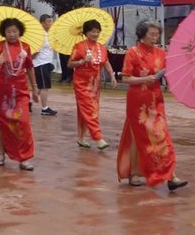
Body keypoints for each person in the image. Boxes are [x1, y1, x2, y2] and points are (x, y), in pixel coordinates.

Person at [116, 19, 187, 190]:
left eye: (157, 34)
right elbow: (125, 78)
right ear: (142, 35)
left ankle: (170, 175)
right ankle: (134, 173)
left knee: (162, 136)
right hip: (137, 101)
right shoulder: (132, 53)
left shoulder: (161, 53)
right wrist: (144, 79)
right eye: (152, 34)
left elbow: (168, 72)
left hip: (156, 100)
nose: (155, 38)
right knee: (138, 137)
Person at [0, 18, 39, 171]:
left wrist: (34, 88)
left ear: (20, 31)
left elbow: (30, 68)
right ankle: (1, 154)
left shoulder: (26, 47)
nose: (12, 34)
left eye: (15, 31)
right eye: (9, 31)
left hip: (21, 91)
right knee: (2, 123)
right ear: (4, 32)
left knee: (23, 122)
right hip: (2, 91)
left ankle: (24, 158)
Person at [67, 19, 117, 149]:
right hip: (81, 83)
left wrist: (112, 75)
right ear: (86, 32)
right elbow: (70, 63)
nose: (95, 34)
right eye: (92, 31)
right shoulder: (79, 46)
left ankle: (81, 138)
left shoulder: (101, 47)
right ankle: (98, 137)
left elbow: (106, 62)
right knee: (89, 109)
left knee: (89, 110)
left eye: (97, 31)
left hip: (95, 85)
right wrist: (82, 61)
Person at [33, 14, 57, 116]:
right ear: (42, 23)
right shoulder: (40, 36)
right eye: (48, 22)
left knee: (40, 87)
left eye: (51, 21)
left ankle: (29, 101)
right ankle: (44, 108)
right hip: (40, 64)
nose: (51, 23)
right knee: (44, 87)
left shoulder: (49, 35)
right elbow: (35, 52)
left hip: (46, 63)